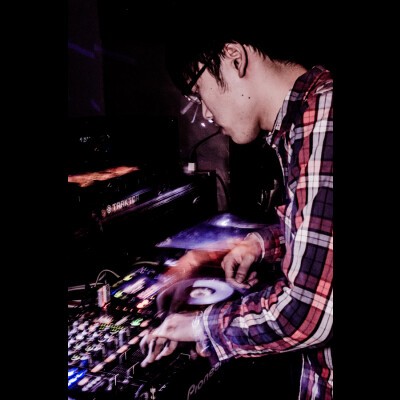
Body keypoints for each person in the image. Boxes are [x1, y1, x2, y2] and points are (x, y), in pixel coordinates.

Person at [139, 22, 334, 400]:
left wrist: (199, 326)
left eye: (198, 93)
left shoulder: (324, 121)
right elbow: (321, 228)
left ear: (234, 57)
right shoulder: (307, 118)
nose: (206, 113)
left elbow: (306, 314)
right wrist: (260, 244)